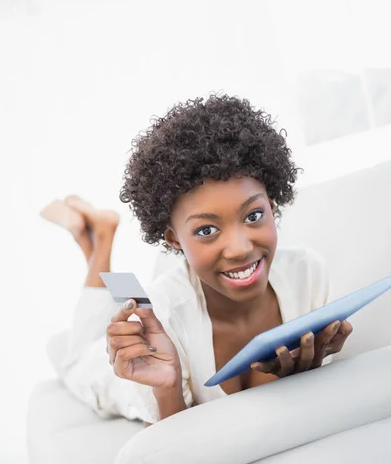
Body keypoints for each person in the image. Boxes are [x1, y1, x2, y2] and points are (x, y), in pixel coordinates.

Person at [41, 94, 353, 426]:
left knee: (130, 295)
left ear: (272, 205)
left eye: (253, 215)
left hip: (169, 293)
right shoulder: (161, 317)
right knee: (75, 358)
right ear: (174, 239)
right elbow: (174, 439)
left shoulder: (307, 273)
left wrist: (307, 376)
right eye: (206, 230)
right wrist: (168, 385)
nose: (239, 248)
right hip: (107, 369)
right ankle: (100, 239)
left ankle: (98, 236)